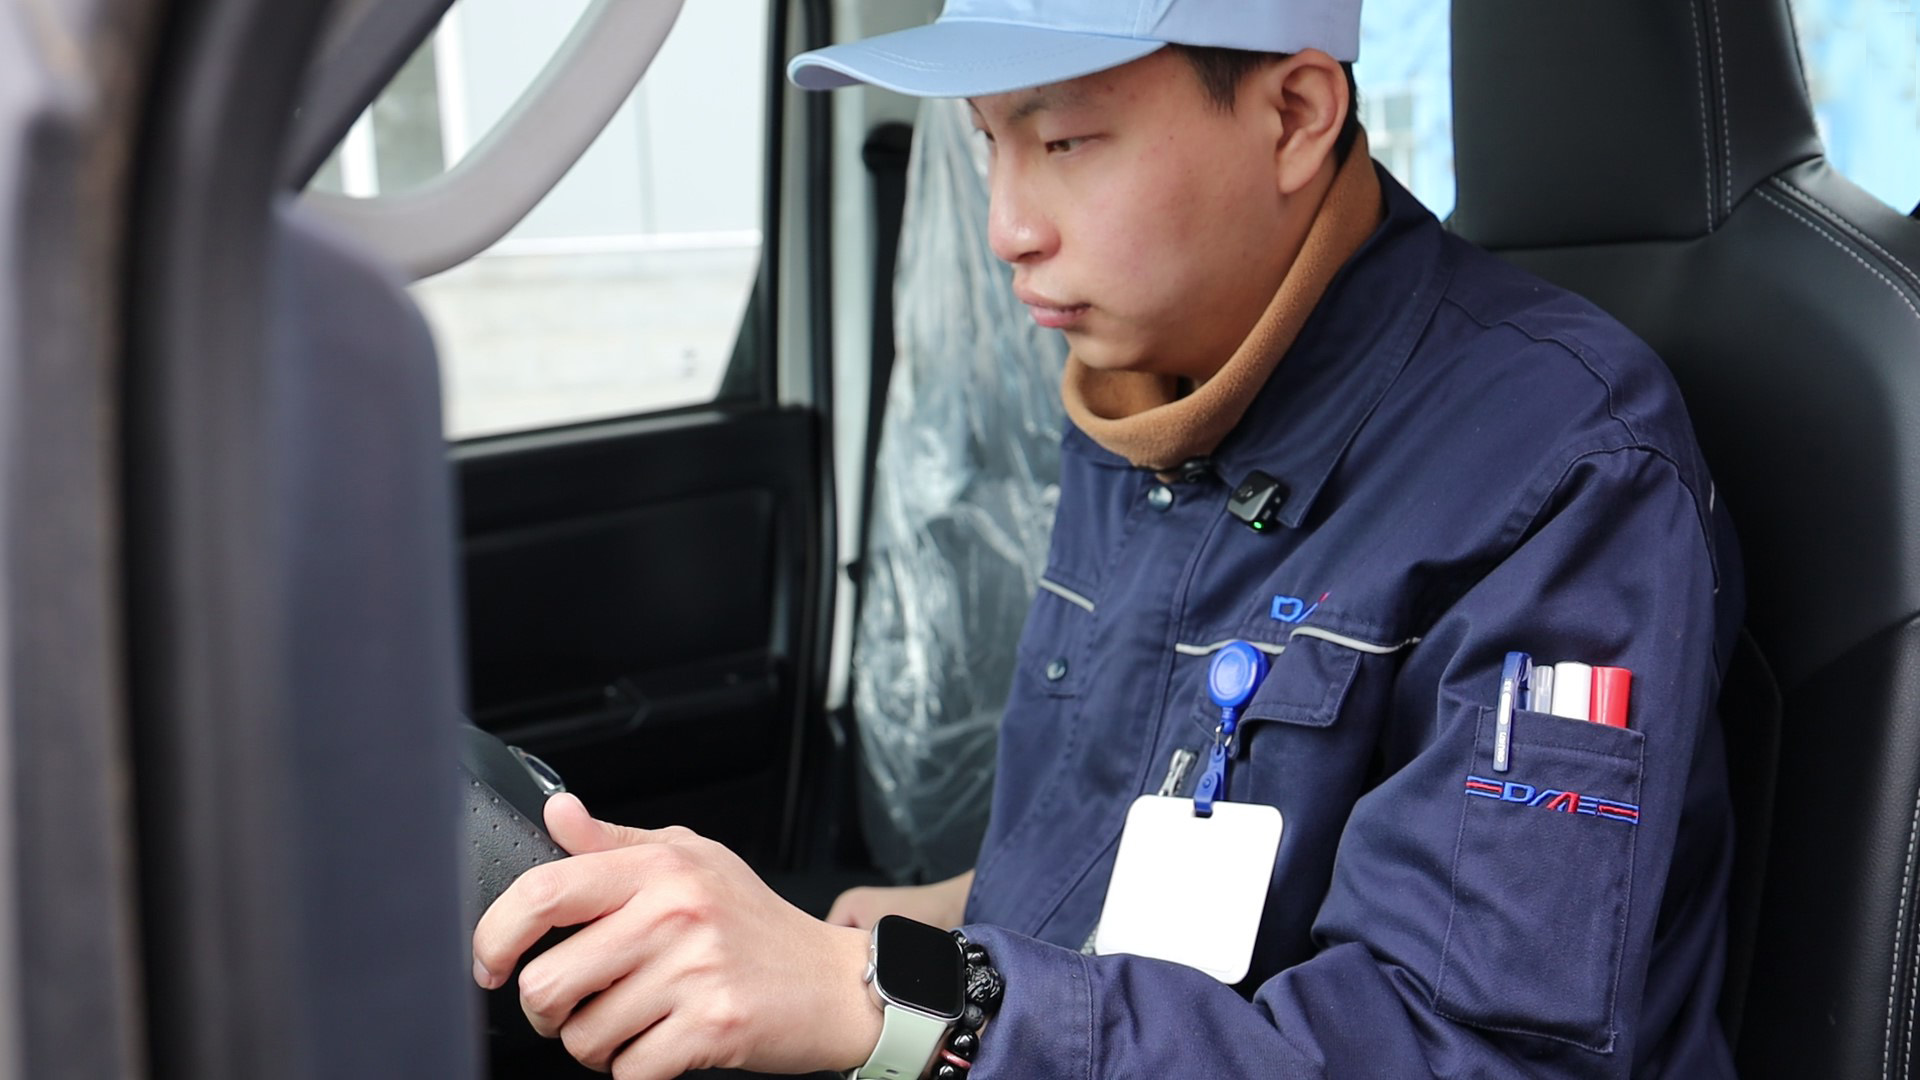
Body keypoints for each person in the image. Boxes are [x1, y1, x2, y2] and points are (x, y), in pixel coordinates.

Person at [471, 1, 1745, 1077]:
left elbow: (1463, 1050)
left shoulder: (1564, 464)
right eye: (987, 143)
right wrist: (930, 927)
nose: (1006, 228)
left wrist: (893, 996)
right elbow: (1147, 824)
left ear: (1296, 115)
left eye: (1066, 140)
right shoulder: (1154, 379)